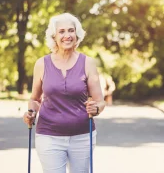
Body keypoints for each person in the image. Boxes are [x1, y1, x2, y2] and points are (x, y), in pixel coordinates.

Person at [23, 13, 106, 173]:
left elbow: (100, 101)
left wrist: (96, 109)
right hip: (49, 136)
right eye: (61, 31)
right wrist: (31, 112)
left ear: (77, 34)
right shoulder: (42, 64)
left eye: (71, 31)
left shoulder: (87, 63)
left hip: (82, 136)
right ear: (54, 36)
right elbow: (35, 99)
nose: (67, 35)